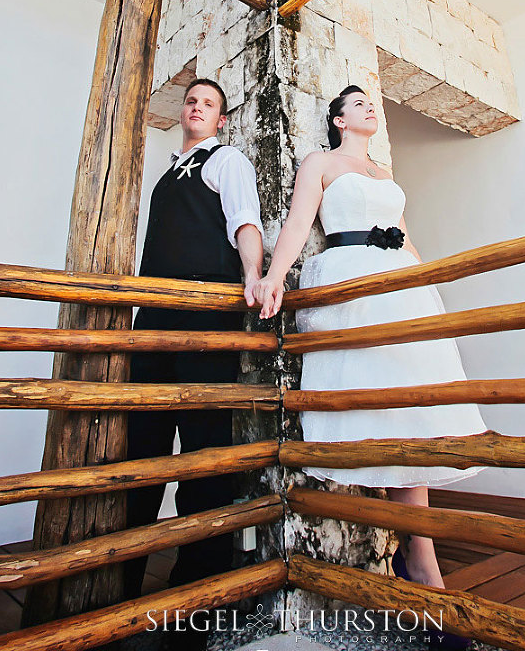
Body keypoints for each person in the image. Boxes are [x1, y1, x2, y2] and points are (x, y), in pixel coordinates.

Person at [253, 85, 486, 648]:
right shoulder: (321, 162)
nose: (369, 110)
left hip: (399, 286)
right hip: (350, 282)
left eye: (372, 105)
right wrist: (275, 275)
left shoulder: (384, 171)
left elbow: (409, 239)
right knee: (376, 411)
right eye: (358, 104)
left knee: (417, 412)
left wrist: (429, 289)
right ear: (337, 120)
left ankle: (421, 562)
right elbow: (296, 223)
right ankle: (418, 565)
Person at [124, 78, 263, 635]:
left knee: (204, 439)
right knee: (142, 439)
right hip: (153, 315)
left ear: (221, 119)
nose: (197, 107)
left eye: (208, 103)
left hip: (206, 313)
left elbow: (244, 220)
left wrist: (253, 275)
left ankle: (200, 584)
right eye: (191, 101)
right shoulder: (165, 174)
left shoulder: (227, 161)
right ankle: (124, 575)